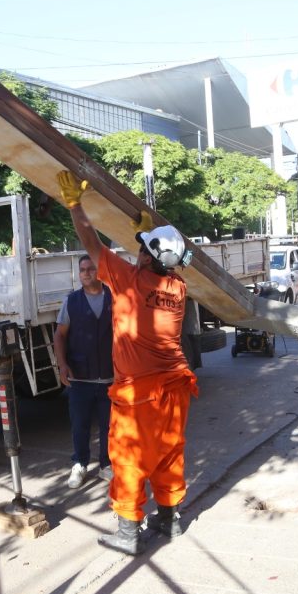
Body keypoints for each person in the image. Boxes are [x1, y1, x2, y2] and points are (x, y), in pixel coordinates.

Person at [57, 170, 199, 556]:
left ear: (147, 257)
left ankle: (128, 532)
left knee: (129, 458)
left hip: (140, 394)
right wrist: (151, 230)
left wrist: (75, 205)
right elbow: (156, 256)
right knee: (170, 453)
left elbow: (91, 242)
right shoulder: (177, 287)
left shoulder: (129, 281)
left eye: (141, 247)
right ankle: (169, 522)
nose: (135, 251)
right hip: (177, 387)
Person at [54, 255, 114, 489]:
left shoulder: (114, 297)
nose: (86, 273)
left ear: (99, 272)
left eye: (91, 269)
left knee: (109, 425)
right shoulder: (72, 301)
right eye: (82, 269)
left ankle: (106, 464)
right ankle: (79, 463)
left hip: (110, 376)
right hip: (80, 376)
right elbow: (60, 335)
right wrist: (62, 364)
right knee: (80, 424)